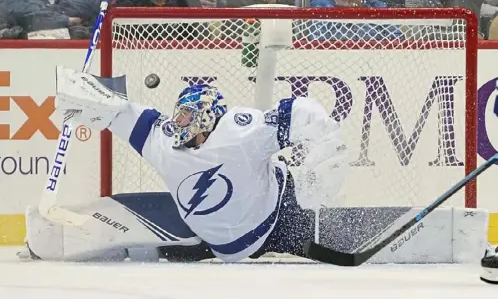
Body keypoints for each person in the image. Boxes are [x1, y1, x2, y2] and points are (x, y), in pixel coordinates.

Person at [18, 66, 347, 262]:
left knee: (293, 187)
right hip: (223, 244)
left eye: (186, 114)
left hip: (276, 219)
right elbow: (117, 110)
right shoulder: (163, 141)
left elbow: (299, 112)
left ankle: (311, 194)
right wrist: (81, 93)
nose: (177, 121)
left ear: (206, 117)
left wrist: (327, 145)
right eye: (177, 113)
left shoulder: (240, 131)